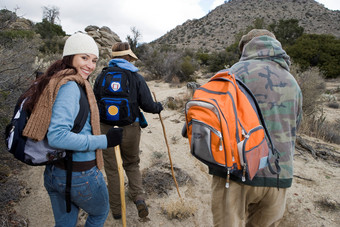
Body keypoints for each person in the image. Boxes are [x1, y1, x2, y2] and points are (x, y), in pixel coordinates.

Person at [21, 32, 123, 227]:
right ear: (70, 57)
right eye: (84, 58)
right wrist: (105, 140)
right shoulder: (70, 87)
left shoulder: (57, 80)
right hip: (80, 174)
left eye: (94, 60)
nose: (90, 65)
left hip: (55, 172)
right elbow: (57, 136)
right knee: (100, 213)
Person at [210, 29, 303, 226]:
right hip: (278, 176)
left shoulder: (230, 74)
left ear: (245, 47)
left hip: (235, 173)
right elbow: (294, 127)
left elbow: (208, 121)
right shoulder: (293, 82)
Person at [94, 42, 163, 220]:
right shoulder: (136, 77)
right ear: (128, 57)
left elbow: (93, 103)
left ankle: (116, 210)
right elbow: (147, 105)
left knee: (112, 169)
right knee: (132, 164)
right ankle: (139, 199)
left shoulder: (101, 76)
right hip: (130, 128)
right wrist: (158, 107)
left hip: (106, 129)